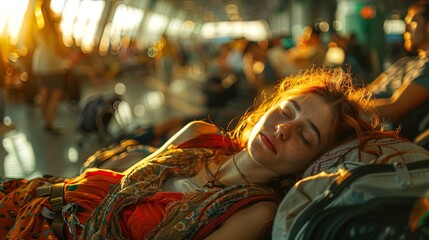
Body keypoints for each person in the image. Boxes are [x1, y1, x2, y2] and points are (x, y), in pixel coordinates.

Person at [0, 67, 396, 239]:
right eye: (286, 111)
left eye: (305, 136)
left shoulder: (254, 211)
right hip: (38, 198)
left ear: (310, 162)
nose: (282, 128)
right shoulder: (198, 134)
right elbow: (124, 186)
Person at [366, 0, 429, 141]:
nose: (406, 29)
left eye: (412, 23)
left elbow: (392, 109)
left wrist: (346, 107)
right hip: (359, 114)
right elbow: (369, 90)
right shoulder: (404, 62)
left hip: (377, 128)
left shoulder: (428, 68)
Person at [31, 0, 71, 135]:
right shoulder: (55, 30)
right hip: (53, 65)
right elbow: (60, 49)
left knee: (43, 93)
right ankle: (49, 123)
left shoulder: (39, 29)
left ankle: (46, 121)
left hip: (38, 63)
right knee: (56, 93)